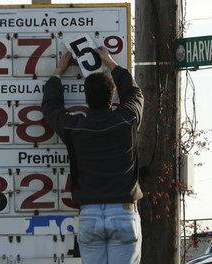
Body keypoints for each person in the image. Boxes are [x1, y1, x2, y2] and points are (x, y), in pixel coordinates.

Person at [42, 47, 144, 264]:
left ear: (86, 98)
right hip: (124, 211)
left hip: (89, 214)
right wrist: (110, 63)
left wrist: (58, 72)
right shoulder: (126, 120)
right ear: (113, 95)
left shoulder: (75, 127)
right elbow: (135, 93)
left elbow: (51, 107)